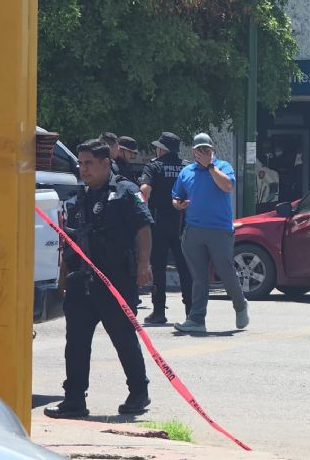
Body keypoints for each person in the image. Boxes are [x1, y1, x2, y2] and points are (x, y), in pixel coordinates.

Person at [44, 139, 153, 418]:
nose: (83, 169)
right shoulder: (80, 197)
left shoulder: (125, 192)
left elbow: (143, 228)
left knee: (123, 339)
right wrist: (63, 277)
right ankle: (74, 400)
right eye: (80, 163)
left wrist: (144, 263)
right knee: (76, 343)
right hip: (83, 282)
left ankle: (139, 392)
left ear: (106, 163)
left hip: (115, 281)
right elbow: (70, 241)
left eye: (88, 163)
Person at [171, 133, 249, 333]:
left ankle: (240, 306)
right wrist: (179, 204)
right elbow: (176, 197)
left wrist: (210, 166)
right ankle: (197, 319)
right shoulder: (187, 172)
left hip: (219, 231)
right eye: (200, 150)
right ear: (194, 152)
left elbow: (227, 185)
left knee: (225, 271)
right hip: (193, 230)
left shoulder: (223, 167)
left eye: (207, 149)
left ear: (213, 150)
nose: (204, 152)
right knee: (199, 277)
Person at [139, 132, 193, 324]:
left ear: (162, 149)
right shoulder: (186, 167)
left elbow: (145, 189)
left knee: (159, 268)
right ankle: (191, 312)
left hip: (159, 223)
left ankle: (159, 312)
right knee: (185, 268)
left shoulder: (153, 166)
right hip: (183, 223)